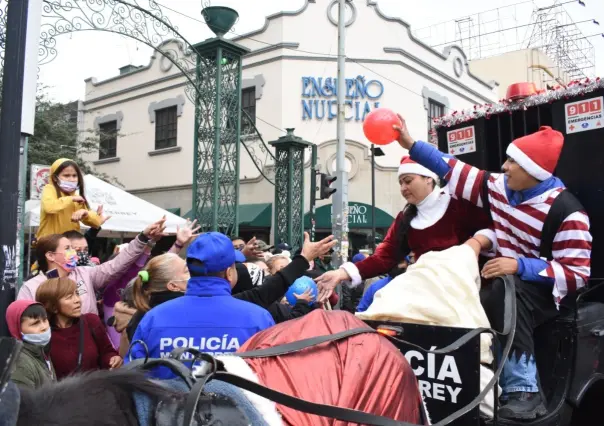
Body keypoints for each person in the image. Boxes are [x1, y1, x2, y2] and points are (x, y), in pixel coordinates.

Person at [395, 119, 592, 420]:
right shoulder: (498, 187)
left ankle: (524, 390)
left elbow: (577, 275)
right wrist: (410, 143)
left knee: (504, 290)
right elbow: (451, 168)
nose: (505, 166)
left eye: (513, 161)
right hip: (504, 280)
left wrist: (520, 266)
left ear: (533, 170)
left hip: (546, 296)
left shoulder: (569, 213)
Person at [128, 232, 336, 376]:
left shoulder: (153, 319)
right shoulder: (257, 318)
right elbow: (273, 378)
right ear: (229, 272)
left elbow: (133, 377)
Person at [316, 156, 493, 301]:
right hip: (429, 292)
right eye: (400, 183)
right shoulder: (405, 219)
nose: (403, 188)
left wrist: (476, 243)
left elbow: (492, 229)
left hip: (466, 290)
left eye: (408, 181)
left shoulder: (458, 204)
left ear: (428, 178)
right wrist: (341, 273)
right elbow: (384, 257)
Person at [17, 217, 166, 315]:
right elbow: (25, 322)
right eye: (68, 248)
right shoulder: (31, 288)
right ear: (50, 256)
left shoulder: (86, 273)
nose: (74, 253)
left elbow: (117, 264)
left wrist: (143, 238)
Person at [36, 277, 122, 379]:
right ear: (53, 306)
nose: (77, 300)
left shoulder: (91, 321)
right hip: (61, 393)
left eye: (77, 294)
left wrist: (113, 359)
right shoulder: (43, 334)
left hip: (95, 391)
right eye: (69, 297)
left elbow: (107, 352)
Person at [37, 158, 102, 239]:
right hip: (50, 245)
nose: (71, 179)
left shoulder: (76, 197)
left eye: (74, 175)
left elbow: (96, 223)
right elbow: (49, 207)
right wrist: (71, 199)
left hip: (70, 247)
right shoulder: (50, 188)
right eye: (66, 175)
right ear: (54, 178)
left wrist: (85, 213)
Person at [5, 300, 56, 389]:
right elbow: (24, 401)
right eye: (35, 323)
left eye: (45, 320)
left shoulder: (41, 350)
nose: (44, 327)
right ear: (18, 329)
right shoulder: (19, 363)